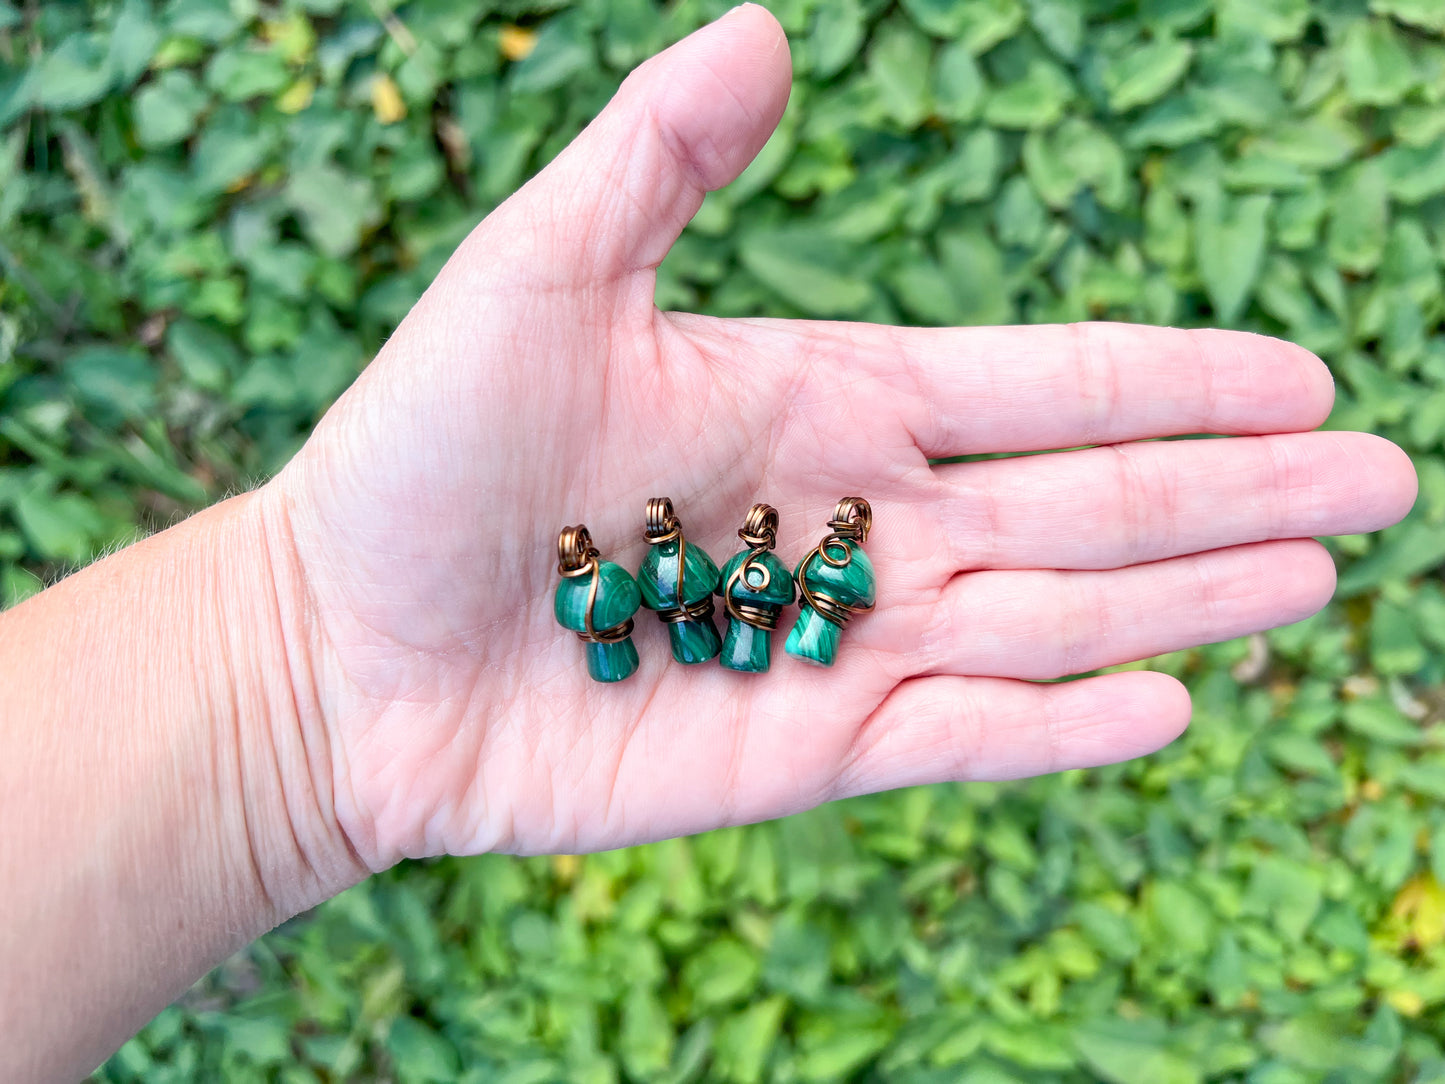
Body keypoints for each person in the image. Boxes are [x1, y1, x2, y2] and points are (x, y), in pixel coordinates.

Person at [0, 6, 1419, 1080]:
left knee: (769, 630)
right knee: (710, 633)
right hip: (678, 628)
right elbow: (637, 584)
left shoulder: (781, 565)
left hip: (732, 623)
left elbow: (808, 581)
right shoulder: (615, 577)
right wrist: (309, 665)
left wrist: (295, 689)